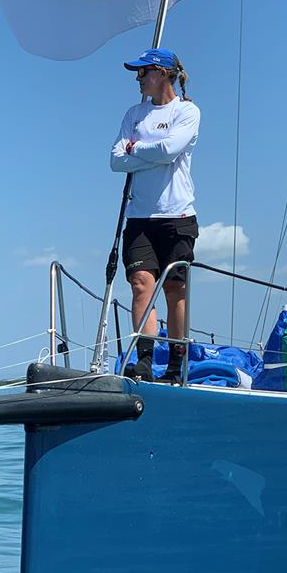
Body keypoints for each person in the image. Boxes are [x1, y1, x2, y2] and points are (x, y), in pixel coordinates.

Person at [110, 48, 199, 383]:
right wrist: (146, 155)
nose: (138, 79)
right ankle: (144, 362)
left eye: (142, 73)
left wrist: (137, 151)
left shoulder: (187, 112)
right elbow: (116, 160)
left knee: (175, 290)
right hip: (139, 217)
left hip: (177, 215)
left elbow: (169, 150)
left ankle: (177, 364)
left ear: (161, 73)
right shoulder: (134, 114)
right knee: (140, 285)